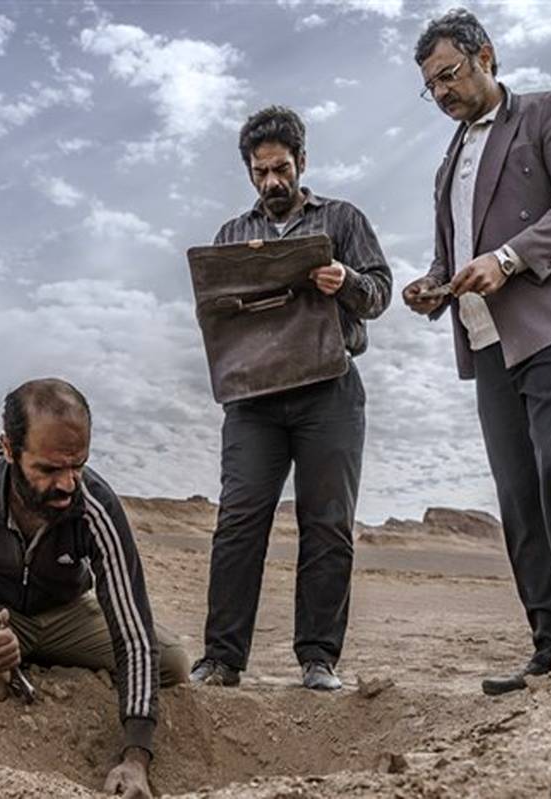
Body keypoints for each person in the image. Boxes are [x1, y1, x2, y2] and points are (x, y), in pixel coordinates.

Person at [403, 9, 551, 696]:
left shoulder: (549, 110)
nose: (442, 92)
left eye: (449, 74)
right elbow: (456, 252)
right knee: (518, 493)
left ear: (486, 56)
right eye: (431, 85)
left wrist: (509, 258)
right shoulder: (448, 161)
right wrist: (433, 285)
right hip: (487, 339)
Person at [190, 106, 392, 691]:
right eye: (261, 172)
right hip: (252, 399)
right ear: (249, 172)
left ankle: (318, 659)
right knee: (238, 522)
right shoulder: (231, 236)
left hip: (329, 389)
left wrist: (346, 281)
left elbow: (379, 293)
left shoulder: (343, 218)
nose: (272, 181)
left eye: (281, 169)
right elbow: (214, 314)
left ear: (302, 162)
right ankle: (222, 659)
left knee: (327, 524)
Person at [0, 378, 188, 799]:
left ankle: (33, 657)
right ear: (9, 449)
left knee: (172, 661)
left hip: (65, 614)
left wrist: (136, 756)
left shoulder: (96, 505)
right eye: (48, 469)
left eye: (77, 465)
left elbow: (133, 630)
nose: (67, 484)